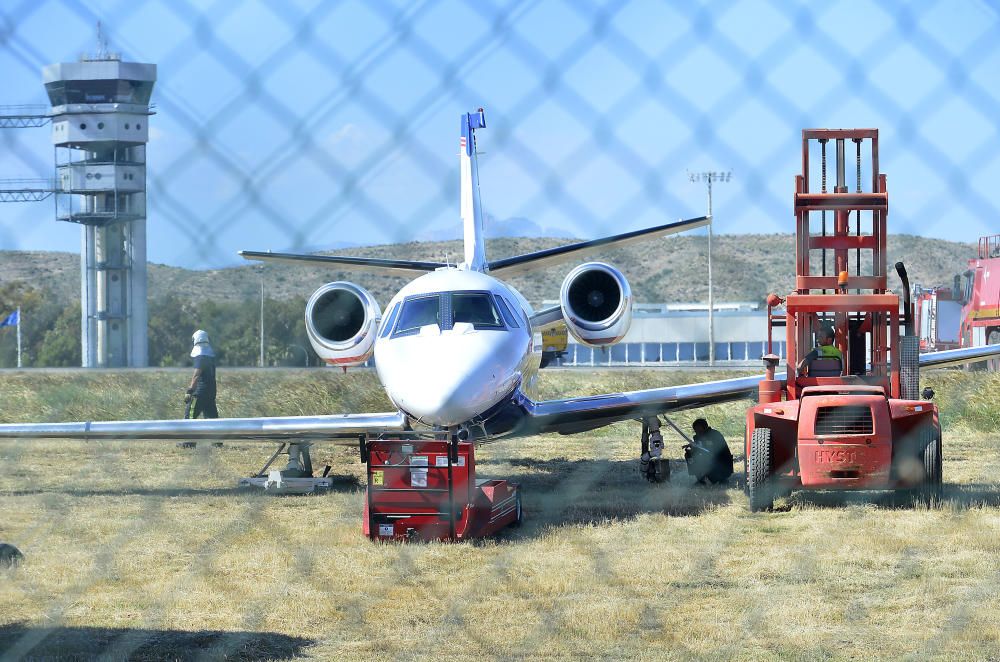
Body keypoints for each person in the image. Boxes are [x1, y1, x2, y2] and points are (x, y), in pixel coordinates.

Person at [684, 418, 734, 485]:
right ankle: (700, 479)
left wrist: (698, 447)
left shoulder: (715, 435)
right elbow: (699, 447)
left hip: (721, 463)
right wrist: (692, 447)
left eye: (698, 429)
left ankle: (720, 478)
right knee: (689, 454)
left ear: (704, 427)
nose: (696, 431)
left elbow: (711, 450)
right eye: (695, 429)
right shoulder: (698, 437)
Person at [186, 329, 218, 419]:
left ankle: (189, 433)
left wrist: (190, 391)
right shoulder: (210, 357)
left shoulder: (201, 356)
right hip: (211, 392)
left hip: (200, 393)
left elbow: (196, 375)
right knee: (212, 421)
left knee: (189, 418)